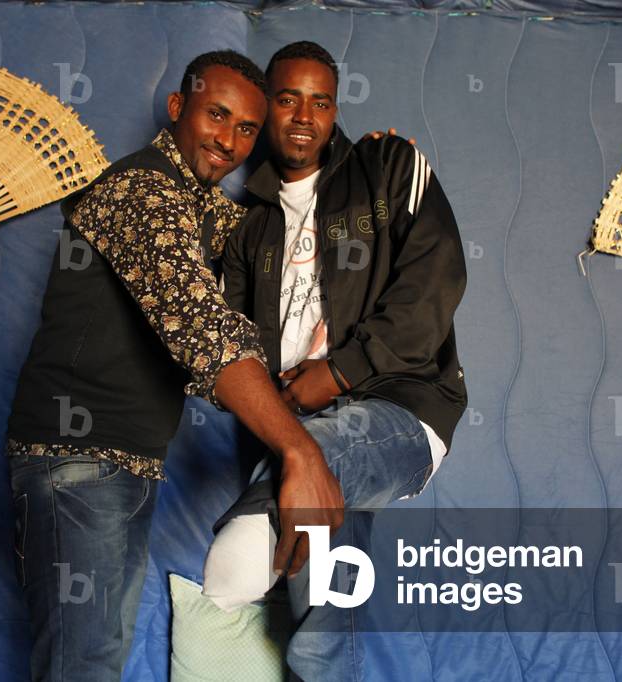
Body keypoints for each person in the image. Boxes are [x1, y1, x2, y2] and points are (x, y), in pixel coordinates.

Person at [3, 50, 343, 682]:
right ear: (178, 107)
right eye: (217, 115)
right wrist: (301, 452)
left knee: (94, 660)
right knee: (83, 668)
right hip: (77, 462)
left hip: (120, 464)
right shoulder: (144, 190)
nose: (230, 141)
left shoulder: (197, 205)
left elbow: (266, 234)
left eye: (247, 129)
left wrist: (367, 169)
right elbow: (204, 330)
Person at [201, 41, 468, 680]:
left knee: (273, 536)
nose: (303, 116)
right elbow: (230, 344)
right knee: (321, 624)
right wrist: (281, 402)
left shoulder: (387, 166)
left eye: (320, 101)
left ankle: (250, 525)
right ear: (266, 110)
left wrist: (341, 370)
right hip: (297, 434)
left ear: (335, 110)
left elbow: (435, 282)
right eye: (288, 99)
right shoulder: (248, 225)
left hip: (398, 410)